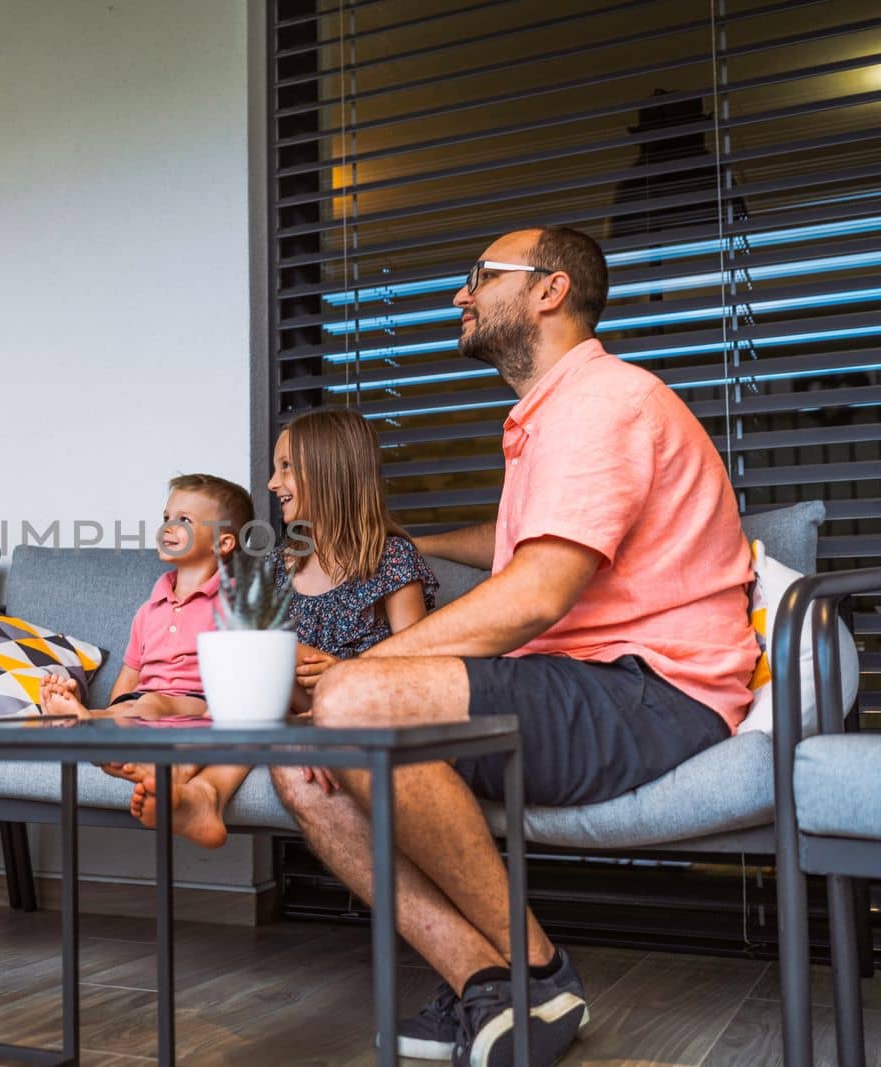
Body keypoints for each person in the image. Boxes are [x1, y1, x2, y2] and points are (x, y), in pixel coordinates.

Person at [270, 226, 758, 1066]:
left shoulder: (606, 402)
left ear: (548, 290)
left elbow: (537, 593)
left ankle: (538, 971)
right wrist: (424, 537)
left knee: (347, 702)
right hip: (578, 686)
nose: (459, 296)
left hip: (650, 693)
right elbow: (526, 555)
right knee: (294, 764)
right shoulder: (548, 418)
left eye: (476, 277)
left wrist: (359, 672)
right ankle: (486, 987)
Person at [120, 409, 438, 849]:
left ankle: (195, 778)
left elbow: (421, 666)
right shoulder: (274, 566)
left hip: (362, 709)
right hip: (283, 713)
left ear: (330, 471)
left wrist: (340, 685)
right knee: (256, 661)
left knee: (278, 654)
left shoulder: (391, 560)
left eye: (286, 467)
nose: (272, 484)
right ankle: (201, 791)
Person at [39, 474, 253, 720]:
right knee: (126, 708)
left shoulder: (234, 601)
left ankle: (88, 721)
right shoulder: (149, 609)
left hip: (200, 703)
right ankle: (88, 723)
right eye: (166, 518)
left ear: (222, 544)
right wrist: (115, 708)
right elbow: (130, 675)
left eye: (184, 520)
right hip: (143, 701)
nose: (167, 527)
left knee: (152, 702)